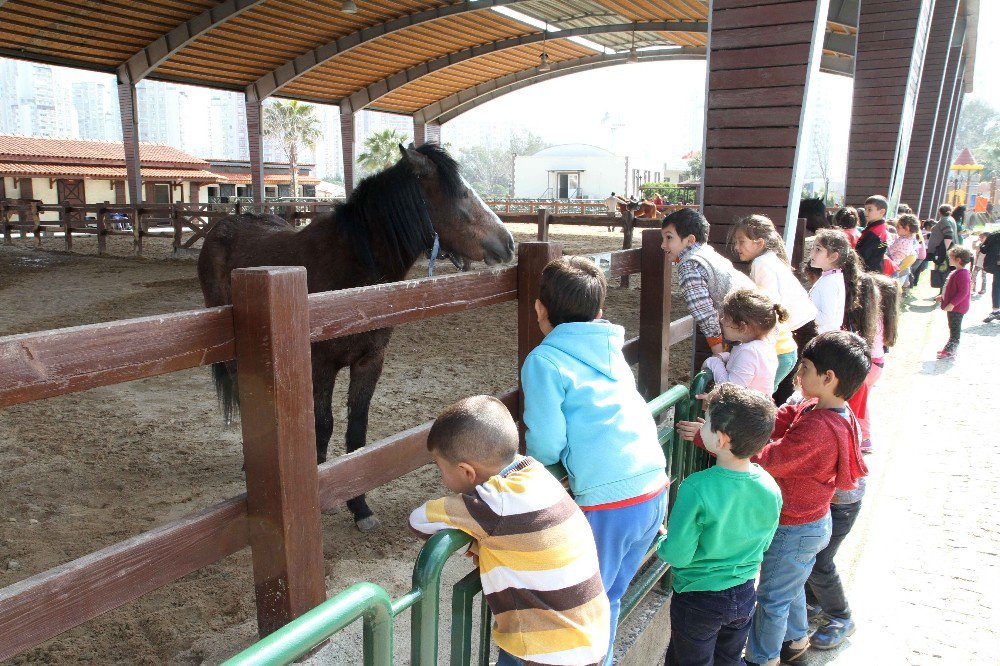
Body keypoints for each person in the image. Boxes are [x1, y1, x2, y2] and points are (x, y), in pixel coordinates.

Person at [678, 332, 870, 666]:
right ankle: (795, 640)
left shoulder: (820, 429)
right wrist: (732, 411)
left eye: (805, 368)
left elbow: (767, 456)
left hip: (796, 525)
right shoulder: (820, 408)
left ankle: (762, 658)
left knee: (772, 597)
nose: (798, 374)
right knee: (790, 584)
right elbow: (778, 419)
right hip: (809, 520)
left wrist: (711, 439)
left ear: (828, 378)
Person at [521, 256, 668, 662]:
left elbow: (547, 444)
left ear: (539, 309)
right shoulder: (610, 349)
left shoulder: (545, 361)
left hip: (610, 502)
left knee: (580, 610)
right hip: (653, 487)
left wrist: (533, 470)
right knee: (608, 598)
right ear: (599, 312)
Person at [409, 395, 611, 666]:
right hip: (587, 639)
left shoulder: (493, 503)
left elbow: (418, 520)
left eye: (440, 468)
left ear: (467, 471)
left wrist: (473, 536)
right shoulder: (537, 475)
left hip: (546, 653)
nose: (441, 477)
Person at [657, 383, 781, 666]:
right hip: (744, 592)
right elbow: (766, 539)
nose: (702, 426)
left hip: (699, 598)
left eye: (707, 421)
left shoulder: (697, 487)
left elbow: (677, 554)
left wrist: (663, 541)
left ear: (721, 439)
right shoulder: (769, 486)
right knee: (728, 659)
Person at [731, 214, 819, 398]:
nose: (737, 247)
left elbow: (768, 306)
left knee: (780, 390)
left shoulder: (761, 264)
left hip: (795, 331)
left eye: (741, 241)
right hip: (802, 326)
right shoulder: (770, 259)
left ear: (759, 243)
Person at [661, 208, 755, 355]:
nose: (663, 245)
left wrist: (718, 352)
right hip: (765, 331)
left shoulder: (689, 265)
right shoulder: (707, 253)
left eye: (669, 237)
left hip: (754, 336)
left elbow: (704, 312)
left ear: (690, 240)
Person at [846, 274, 897, 453]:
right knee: (862, 402)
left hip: (868, 365)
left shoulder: (872, 317)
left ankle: (864, 437)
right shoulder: (886, 316)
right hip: (877, 364)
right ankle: (864, 436)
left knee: (858, 404)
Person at [703, 289, 788, 395]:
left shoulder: (749, 352)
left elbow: (731, 390)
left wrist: (713, 362)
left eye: (726, 318)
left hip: (744, 411)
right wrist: (723, 356)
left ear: (742, 327)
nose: (721, 320)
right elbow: (740, 361)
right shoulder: (762, 346)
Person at [935, 246, 973, 359]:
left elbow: (963, 292)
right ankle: (949, 348)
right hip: (954, 307)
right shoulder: (957, 272)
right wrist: (943, 297)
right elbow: (952, 288)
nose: (949, 260)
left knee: (955, 328)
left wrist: (952, 304)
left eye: (951, 258)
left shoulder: (963, 274)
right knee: (952, 327)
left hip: (957, 307)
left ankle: (951, 350)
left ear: (958, 260)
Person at [856, 195, 890, 273]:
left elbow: (862, 254)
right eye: (865, 209)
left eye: (870, 209)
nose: (866, 212)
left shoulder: (875, 232)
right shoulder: (878, 228)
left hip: (869, 271)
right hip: (874, 269)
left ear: (882, 211)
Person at [887, 214, 921, 288]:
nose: (896, 229)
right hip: (896, 267)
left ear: (907, 229)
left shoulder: (902, 241)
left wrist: (884, 243)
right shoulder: (911, 239)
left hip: (890, 267)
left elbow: (888, 250)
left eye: (898, 227)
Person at [982, 230, 1000, 323]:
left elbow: (983, 249)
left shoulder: (993, 235)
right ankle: (996, 310)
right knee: (996, 286)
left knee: (996, 286)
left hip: (996, 265)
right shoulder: (994, 235)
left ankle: (996, 310)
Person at [972, 231, 990, 296]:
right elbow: (974, 248)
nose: (981, 239)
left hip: (985, 264)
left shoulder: (989, 246)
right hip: (978, 263)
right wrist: (974, 242)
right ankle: (973, 288)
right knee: (973, 275)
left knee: (984, 277)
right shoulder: (980, 245)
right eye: (980, 237)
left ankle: (983, 289)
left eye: (983, 237)